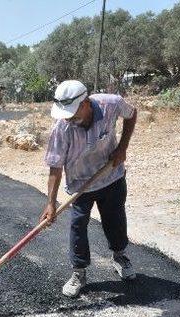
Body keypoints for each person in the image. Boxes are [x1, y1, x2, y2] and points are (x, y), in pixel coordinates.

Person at [40, 80, 138, 298]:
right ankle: (79, 271)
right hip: (80, 185)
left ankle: (120, 256)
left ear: (85, 103)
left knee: (115, 219)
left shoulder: (111, 104)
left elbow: (132, 115)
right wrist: (50, 203)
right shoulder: (62, 127)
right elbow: (55, 167)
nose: (69, 118)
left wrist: (122, 147)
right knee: (78, 225)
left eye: (73, 113)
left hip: (110, 175)